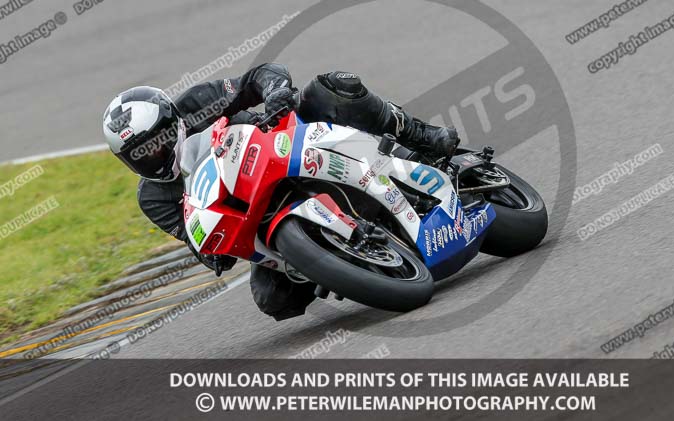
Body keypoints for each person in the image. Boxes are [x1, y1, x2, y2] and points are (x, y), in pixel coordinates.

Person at [102, 63, 458, 321]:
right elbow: (195, 239)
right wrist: (211, 252)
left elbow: (257, 77)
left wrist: (275, 93)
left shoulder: (195, 103)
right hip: (255, 219)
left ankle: (420, 136)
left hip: (282, 149)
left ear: (172, 122)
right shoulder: (153, 198)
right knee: (273, 299)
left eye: (155, 143)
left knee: (329, 88)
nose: (151, 157)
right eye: (138, 155)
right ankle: (340, 261)